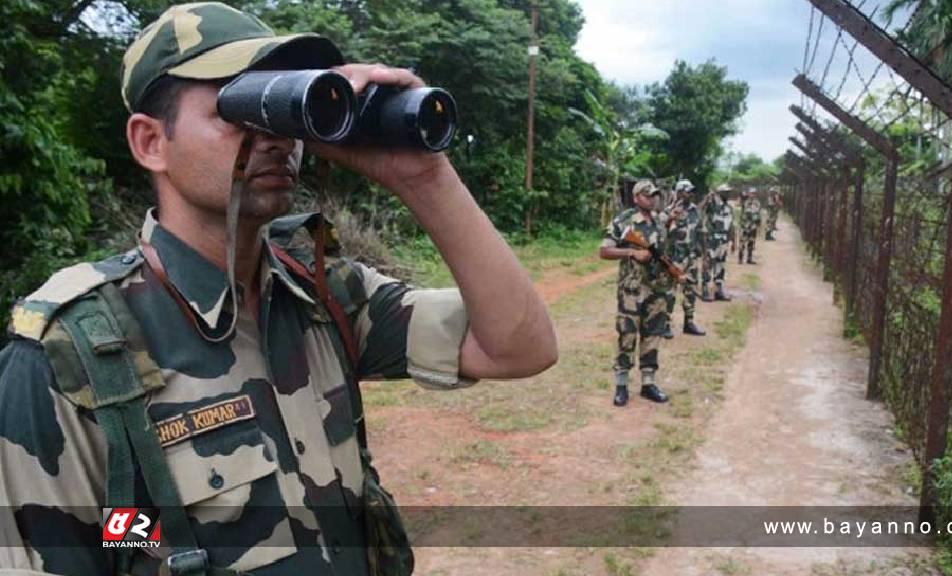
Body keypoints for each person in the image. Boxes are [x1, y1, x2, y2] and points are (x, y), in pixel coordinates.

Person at [0, 3, 557, 575]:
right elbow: (77, 542)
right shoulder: (70, 356)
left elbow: (520, 347)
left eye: (281, 108)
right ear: (150, 142)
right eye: (237, 106)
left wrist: (425, 177)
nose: (273, 136)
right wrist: (152, 535)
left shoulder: (324, 294)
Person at [600, 180, 671, 407]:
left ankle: (648, 384)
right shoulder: (624, 221)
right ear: (636, 197)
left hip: (657, 289)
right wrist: (631, 252)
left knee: (653, 336)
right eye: (647, 195)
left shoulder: (660, 221)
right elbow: (604, 251)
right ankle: (621, 386)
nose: (652, 199)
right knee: (627, 335)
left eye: (655, 195)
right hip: (632, 290)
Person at [664, 180, 705, 338]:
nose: (691, 194)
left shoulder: (696, 211)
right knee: (669, 292)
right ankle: (665, 324)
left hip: (691, 258)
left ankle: (689, 322)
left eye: (692, 191)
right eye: (688, 191)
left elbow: (701, 231)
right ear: (680, 192)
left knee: (691, 290)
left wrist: (705, 254)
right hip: (674, 257)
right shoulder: (669, 211)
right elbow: (662, 233)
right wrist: (670, 218)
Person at [701, 184, 736, 302]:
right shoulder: (712, 206)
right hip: (712, 240)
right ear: (719, 193)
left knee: (720, 266)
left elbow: (731, 225)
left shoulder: (729, 208)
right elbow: (699, 209)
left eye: (728, 192)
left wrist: (733, 241)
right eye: (725, 192)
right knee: (708, 265)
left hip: (724, 240)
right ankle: (705, 289)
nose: (727, 194)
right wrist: (707, 198)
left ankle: (718, 290)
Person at [737, 187, 762, 265]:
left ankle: (749, 259)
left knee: (751, 242)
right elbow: (739, 203)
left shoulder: (757, 203)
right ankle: (740, 259)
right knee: (742, 242)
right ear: (748, 193)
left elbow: (757, 213)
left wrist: (758, 223)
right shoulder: (744, 201)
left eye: (754, 193)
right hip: (744, 225)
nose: (752, 195)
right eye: (751, 193)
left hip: (752, 226)